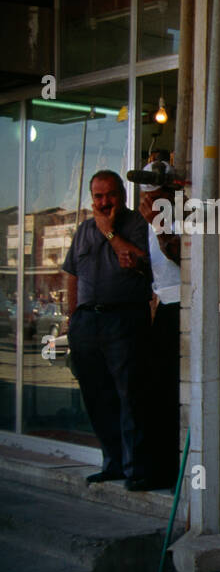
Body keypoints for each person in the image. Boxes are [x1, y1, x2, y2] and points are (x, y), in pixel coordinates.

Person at [62, 170, 155, 490]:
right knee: (98, 397)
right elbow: (72, 275)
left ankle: (136, 470)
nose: (104, 202)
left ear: (123, 194)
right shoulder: (84, 230)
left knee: (131, 396)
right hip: (88, 322)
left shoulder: (138, 225)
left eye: (110, 195)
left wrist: (110, 233)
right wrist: (72, 320)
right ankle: (112, 463)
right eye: (98, 197)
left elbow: (144, 261)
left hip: (124, 319)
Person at [137, 157, 182, 489]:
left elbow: (180, 255)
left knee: (169, 392)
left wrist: (159, 224)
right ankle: (154, 467)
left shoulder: (177, 215)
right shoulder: (151, 220)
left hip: (182, 306)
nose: (148, 203)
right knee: (153, 391)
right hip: (161, 305)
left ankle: (168, 470)